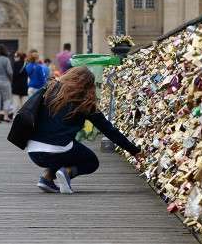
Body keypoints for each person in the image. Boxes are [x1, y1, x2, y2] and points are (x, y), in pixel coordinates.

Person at [27, 66, 143, 194]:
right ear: (89, 86)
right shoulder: (85, 103)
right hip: (58, 149)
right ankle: (67, 173)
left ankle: (46, 179)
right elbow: (109, 130)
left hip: (33, 149)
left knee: (63, 146)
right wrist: (134, 151)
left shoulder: (48, 90)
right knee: (91, 161)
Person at [11, 51, 28, 116]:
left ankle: (15, 116)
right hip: (24, 85)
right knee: (24, 103)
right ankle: (23, 116)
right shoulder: (26, 64)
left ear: (18, 57)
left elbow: (14, 75)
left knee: (16, 102)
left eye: (15, 56)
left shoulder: (15, 64)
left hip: (16, 85)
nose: (14, 58)